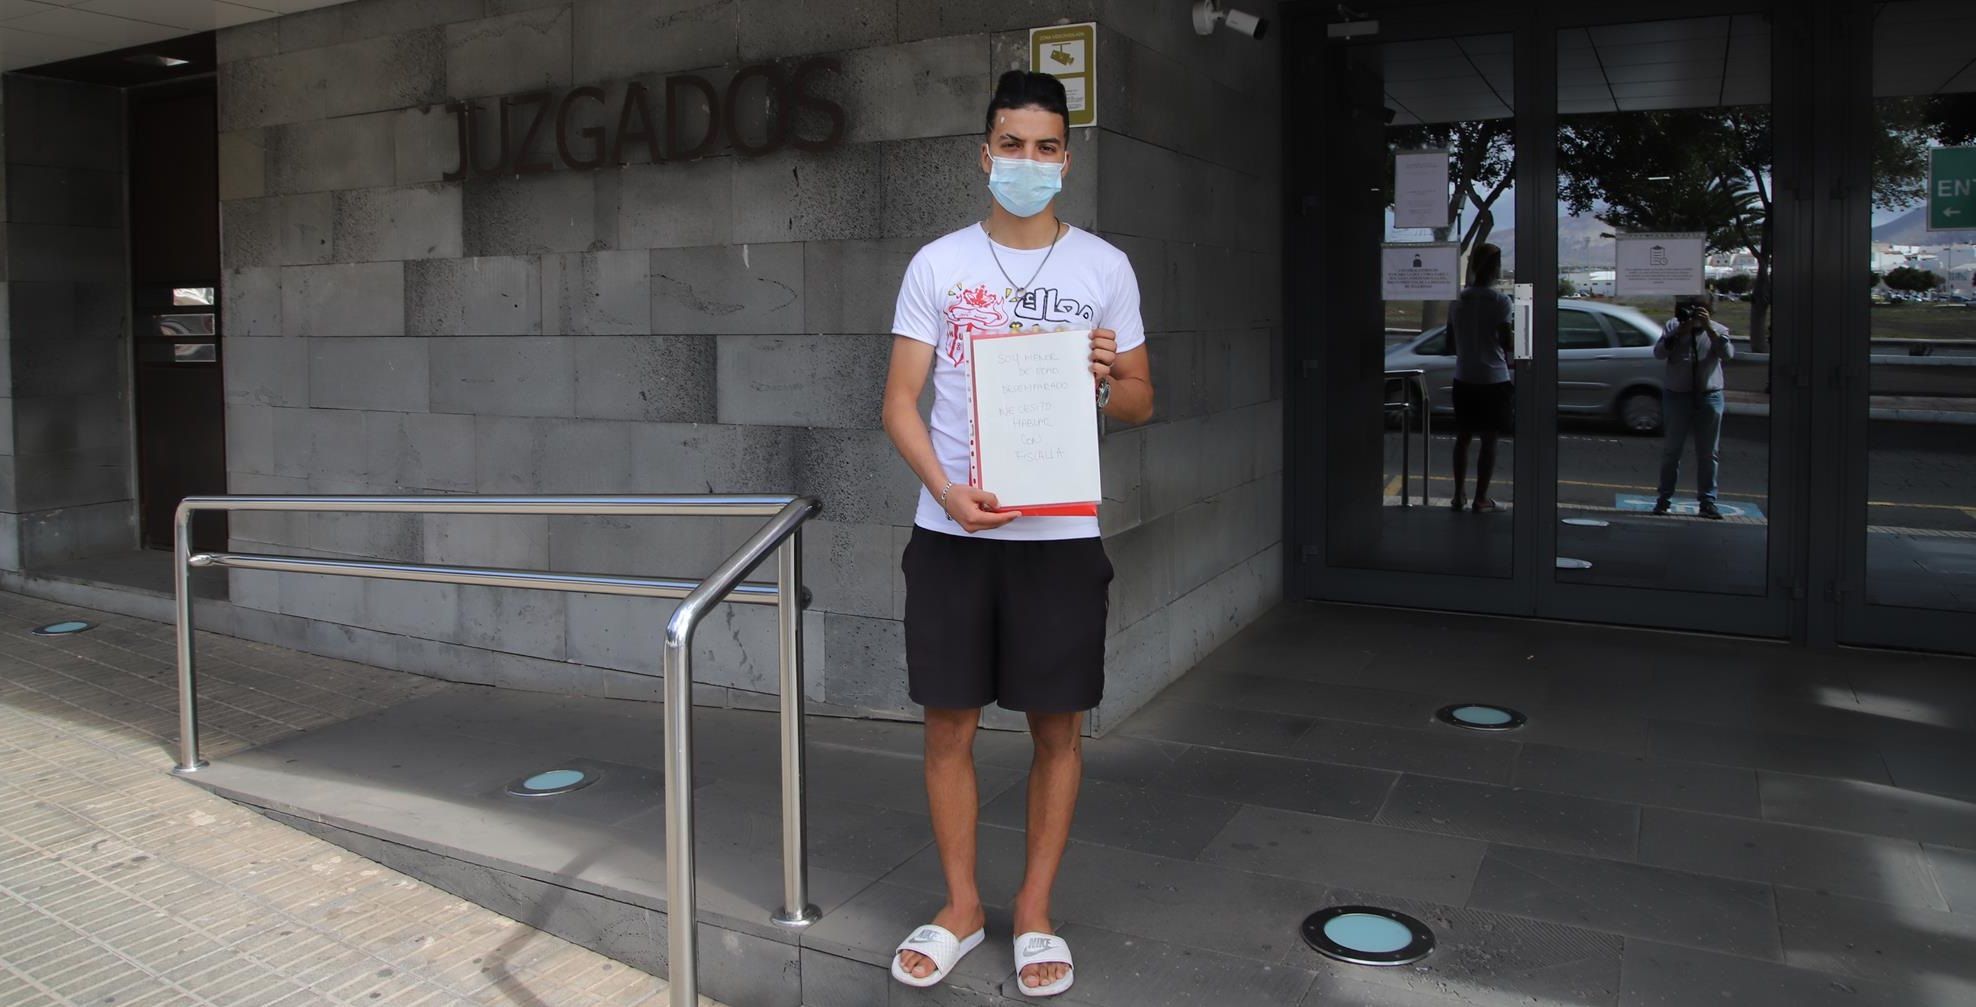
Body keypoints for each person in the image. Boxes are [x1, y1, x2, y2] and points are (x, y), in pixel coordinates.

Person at [879, 70, 1153, 998]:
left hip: (1060, 537)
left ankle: (1033, 910)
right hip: (954, 532)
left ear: (1066, 159)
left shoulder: (1102, 269)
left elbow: (1145, 400)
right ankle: (960, 905)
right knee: (947, 725)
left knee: (1057, 730)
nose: (1026, 162)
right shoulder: (938, 265)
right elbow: (899, 403)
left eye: (1045, 147)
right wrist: (947, 491)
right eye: (1011, 144)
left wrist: (1108, 377)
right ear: (984, 153)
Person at [1653, 293, 1734, 519]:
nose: (1693, 313)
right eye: (1690, 308)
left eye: (1699, 309)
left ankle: (1707, 501)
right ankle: (1663, 499)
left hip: (1709, 396)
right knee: (1671, 451)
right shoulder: (1673, 326)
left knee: (1708, 453)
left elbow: (1727, 354)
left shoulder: (1719, 329)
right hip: (1677, 395)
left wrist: (1709, 328)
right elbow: (1658, 353)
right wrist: (1678, 333)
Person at [1447, 243, 1514, 513]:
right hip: (1493, 378)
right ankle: (1480, 498)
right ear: (1495, 268)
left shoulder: (1458, 300)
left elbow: (1450, 342)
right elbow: (1507, 341)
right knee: (1489, 440)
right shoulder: (1500, 301)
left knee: (1462, 438)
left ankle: (1457, 495)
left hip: (1463, 376)